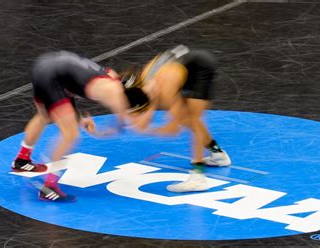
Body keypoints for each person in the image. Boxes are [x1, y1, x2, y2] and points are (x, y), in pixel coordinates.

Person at [12, 50, 150, 202]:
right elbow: (118, 122)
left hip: (47, 65)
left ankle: (22, 160)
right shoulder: (113, 92)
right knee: (70, 135)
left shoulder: (111, 76)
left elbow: (69, 88)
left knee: (44, 116)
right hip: (53, 75)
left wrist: (79, 120)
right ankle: (49, 186)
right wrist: (101, 132)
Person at [124, 45, 231, 193]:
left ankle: (198, 178)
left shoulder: (166, 87)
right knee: (186, 120)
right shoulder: (144, 83)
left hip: (201, 67)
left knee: (193, 120)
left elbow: (173, 129)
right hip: (183, 69)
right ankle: (218, 154)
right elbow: (146, 107)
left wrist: (149, 130)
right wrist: (140, 121)